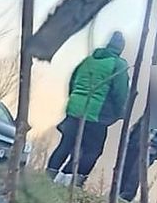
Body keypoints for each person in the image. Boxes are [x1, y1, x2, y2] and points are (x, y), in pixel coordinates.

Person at [45, 31, 130, 186]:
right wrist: (120, 113)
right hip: (95, 116)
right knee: (92, 150)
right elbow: (121, 93)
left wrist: (74, 101)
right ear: (121, 48)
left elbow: (73, 81)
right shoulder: (119, 65)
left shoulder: (88, 60)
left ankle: (48, 178)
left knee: (66, 144)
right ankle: (72, 183)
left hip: (74, 110)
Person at [118, 117, 157, 201]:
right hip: (137, 136)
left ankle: (126, 197)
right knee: (126, 165)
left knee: (136, 172)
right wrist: (133, 131)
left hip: (151, 144)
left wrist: (156, 145)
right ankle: (117, 192)